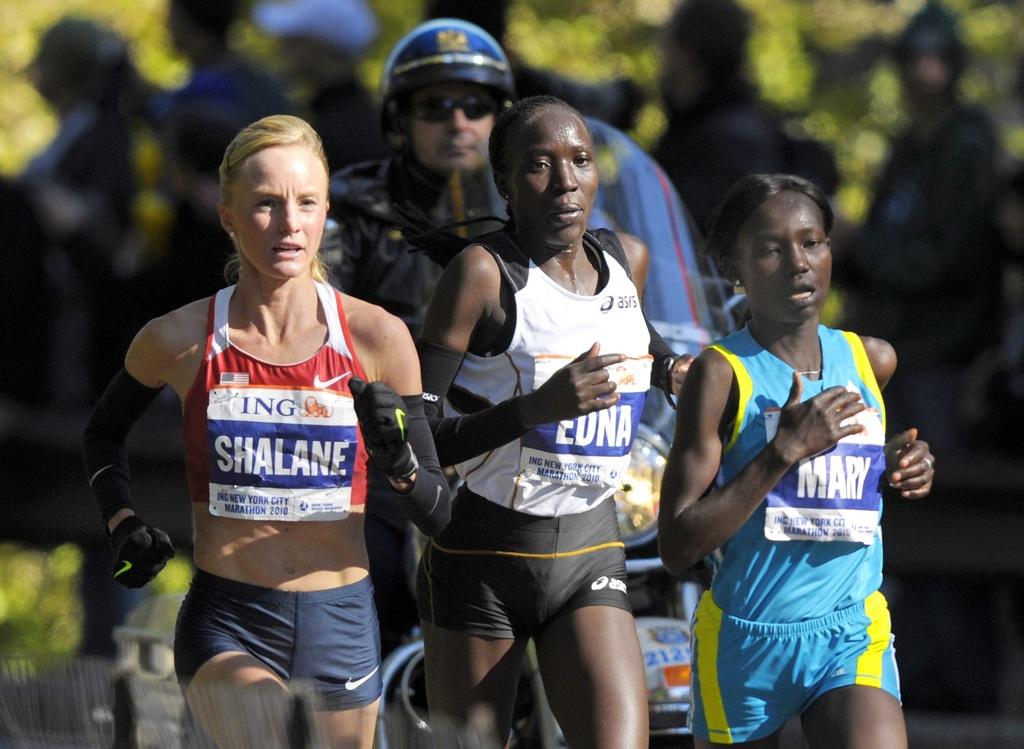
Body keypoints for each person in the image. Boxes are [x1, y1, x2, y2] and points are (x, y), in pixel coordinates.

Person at [81, 114, 451, 748]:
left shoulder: (377, 337)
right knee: (279, 735)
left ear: (326, 211)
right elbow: (103, 433)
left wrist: (402, 465)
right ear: (228, 215)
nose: (290, 225)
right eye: (266, 205)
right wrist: (122, 522)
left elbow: (439, 511)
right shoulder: (177, 339)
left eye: (307, 204)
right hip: (229, 622)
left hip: (343, 621)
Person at [408, 94, 677, 748]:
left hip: (590, 549)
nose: (565, 181)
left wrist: (672, 371)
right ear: (504, 181)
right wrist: (537, 409)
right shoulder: (482, 274)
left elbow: (637, 338)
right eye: (539, 164)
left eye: (580, 160)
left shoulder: (627, 260)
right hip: (481, 557)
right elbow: (418, 432)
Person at [657, 173, 935, 748]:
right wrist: (781, 452)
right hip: (746, 643)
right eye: (770, 249)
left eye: (812, 243)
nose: (798, 263)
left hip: (850, 630)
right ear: (735, 271)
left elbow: (848, 473)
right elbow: (678, 544)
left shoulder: (870, 359)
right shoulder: (720, 374)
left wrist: (900, 462)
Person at [838, 1, 1002, 458]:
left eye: (939, 58)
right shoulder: (905, 149)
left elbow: (951, 259)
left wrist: (863, 251)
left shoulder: (968, 146)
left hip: (944, 352)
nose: (926, 72)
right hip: (892, 348)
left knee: (940, 485)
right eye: (915, 57)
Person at [651, 0, 838, 236]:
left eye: (666, 48)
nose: (661, 62)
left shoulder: (725, 144)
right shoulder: (709, 131)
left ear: (686, 54)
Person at [252, 0, 389, 171]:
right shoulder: (367, 121)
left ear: (321, 46)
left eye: (293, 40)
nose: (279, 48)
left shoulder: (334, 134)